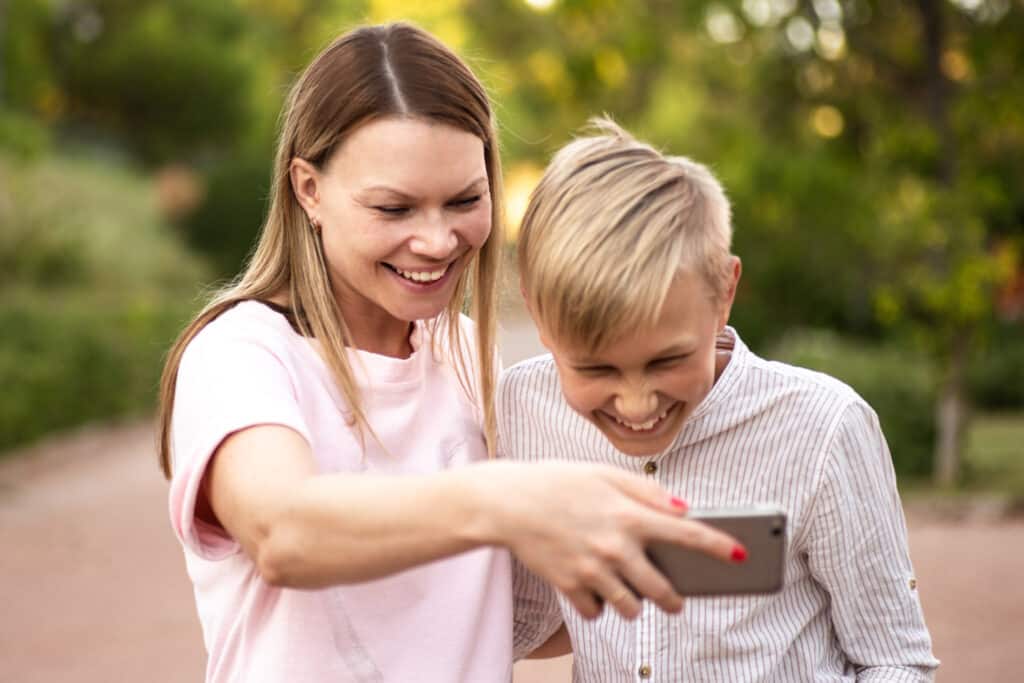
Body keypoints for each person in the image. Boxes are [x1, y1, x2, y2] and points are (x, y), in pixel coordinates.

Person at [157, 24, 742, 683]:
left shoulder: (469, 357)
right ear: (308, 189)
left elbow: (507, 616)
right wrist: (503, 501)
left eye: (464, 200)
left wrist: (675, 565)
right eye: (394, 208)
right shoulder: (241, 352)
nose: (437, 241)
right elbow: (283, 535)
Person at [505, 119, 940, 680]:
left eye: (667, 362)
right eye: (596, 368)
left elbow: (895, 659)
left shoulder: (824, 427)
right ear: (538, 316)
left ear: (725, 293)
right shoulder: (521, 410)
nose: (636, 406)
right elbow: (524, 618)